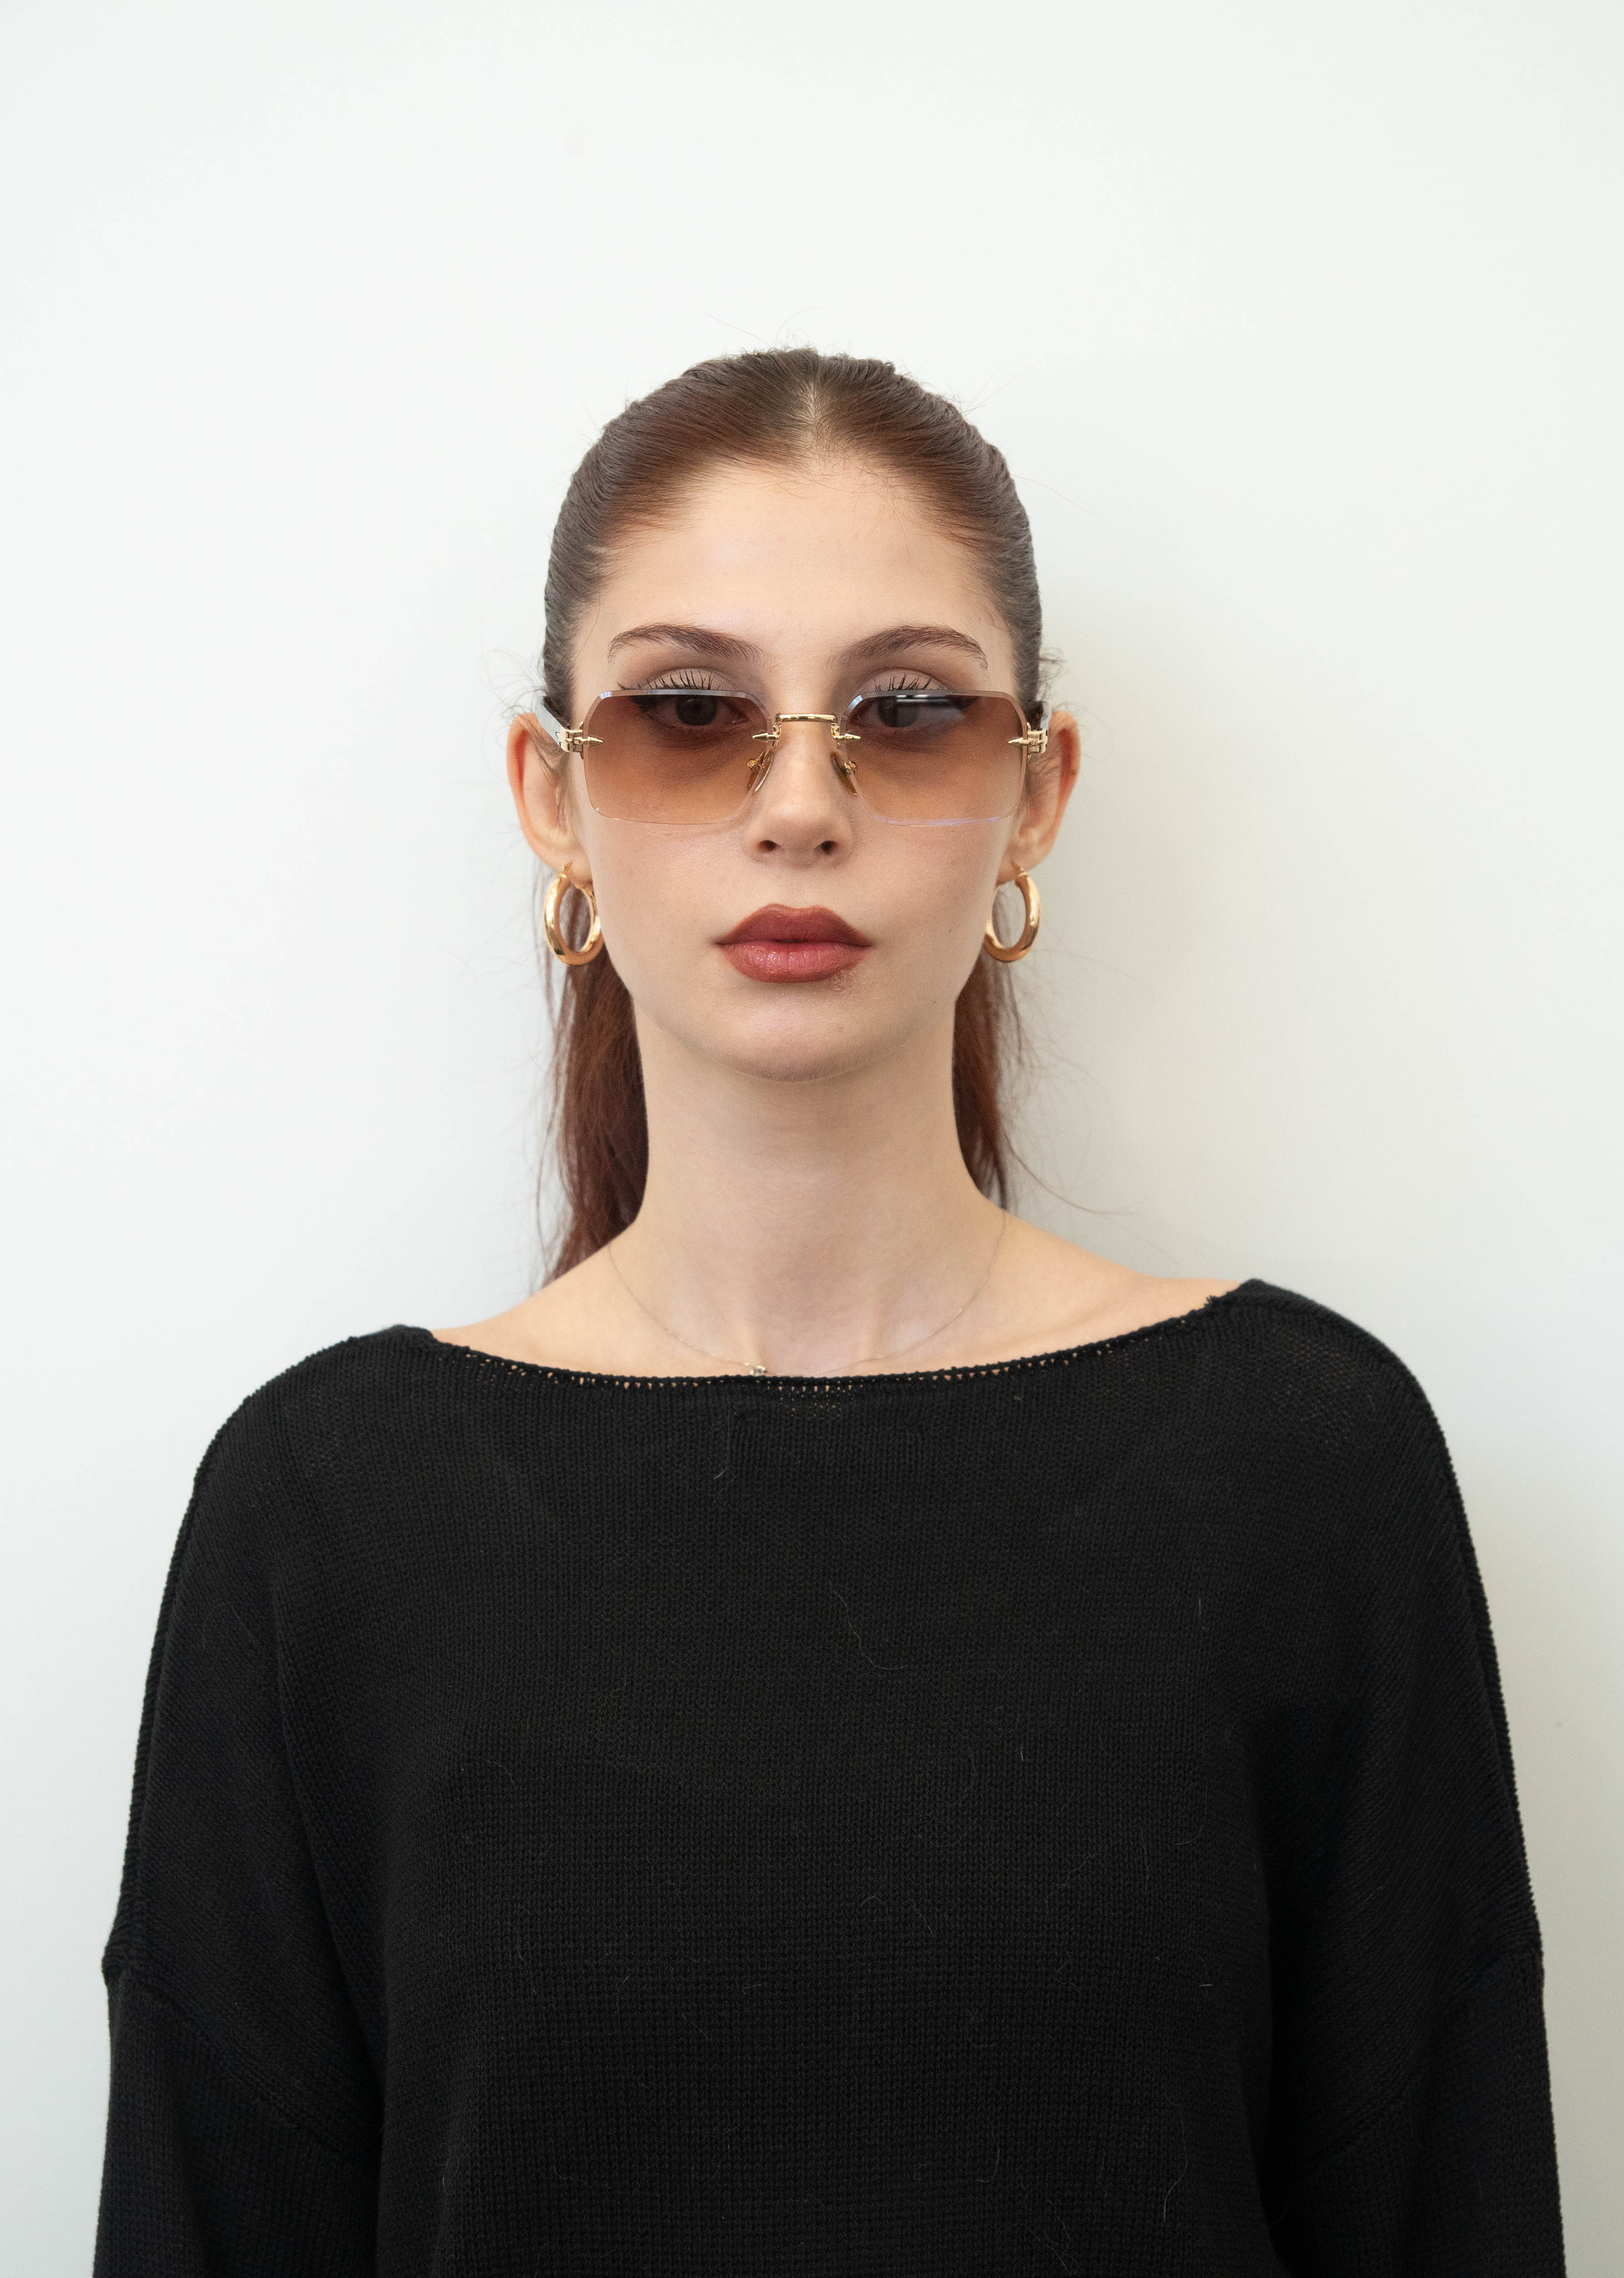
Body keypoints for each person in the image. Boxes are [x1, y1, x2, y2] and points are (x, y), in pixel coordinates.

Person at [94, 350, 1564, 2274]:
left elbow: (1445, 2204)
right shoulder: (324, 1517)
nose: (800, 804)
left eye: (907, 712)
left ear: (1034, 792)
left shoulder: (1305, 1468)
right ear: (553, 794)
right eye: (690, 714)